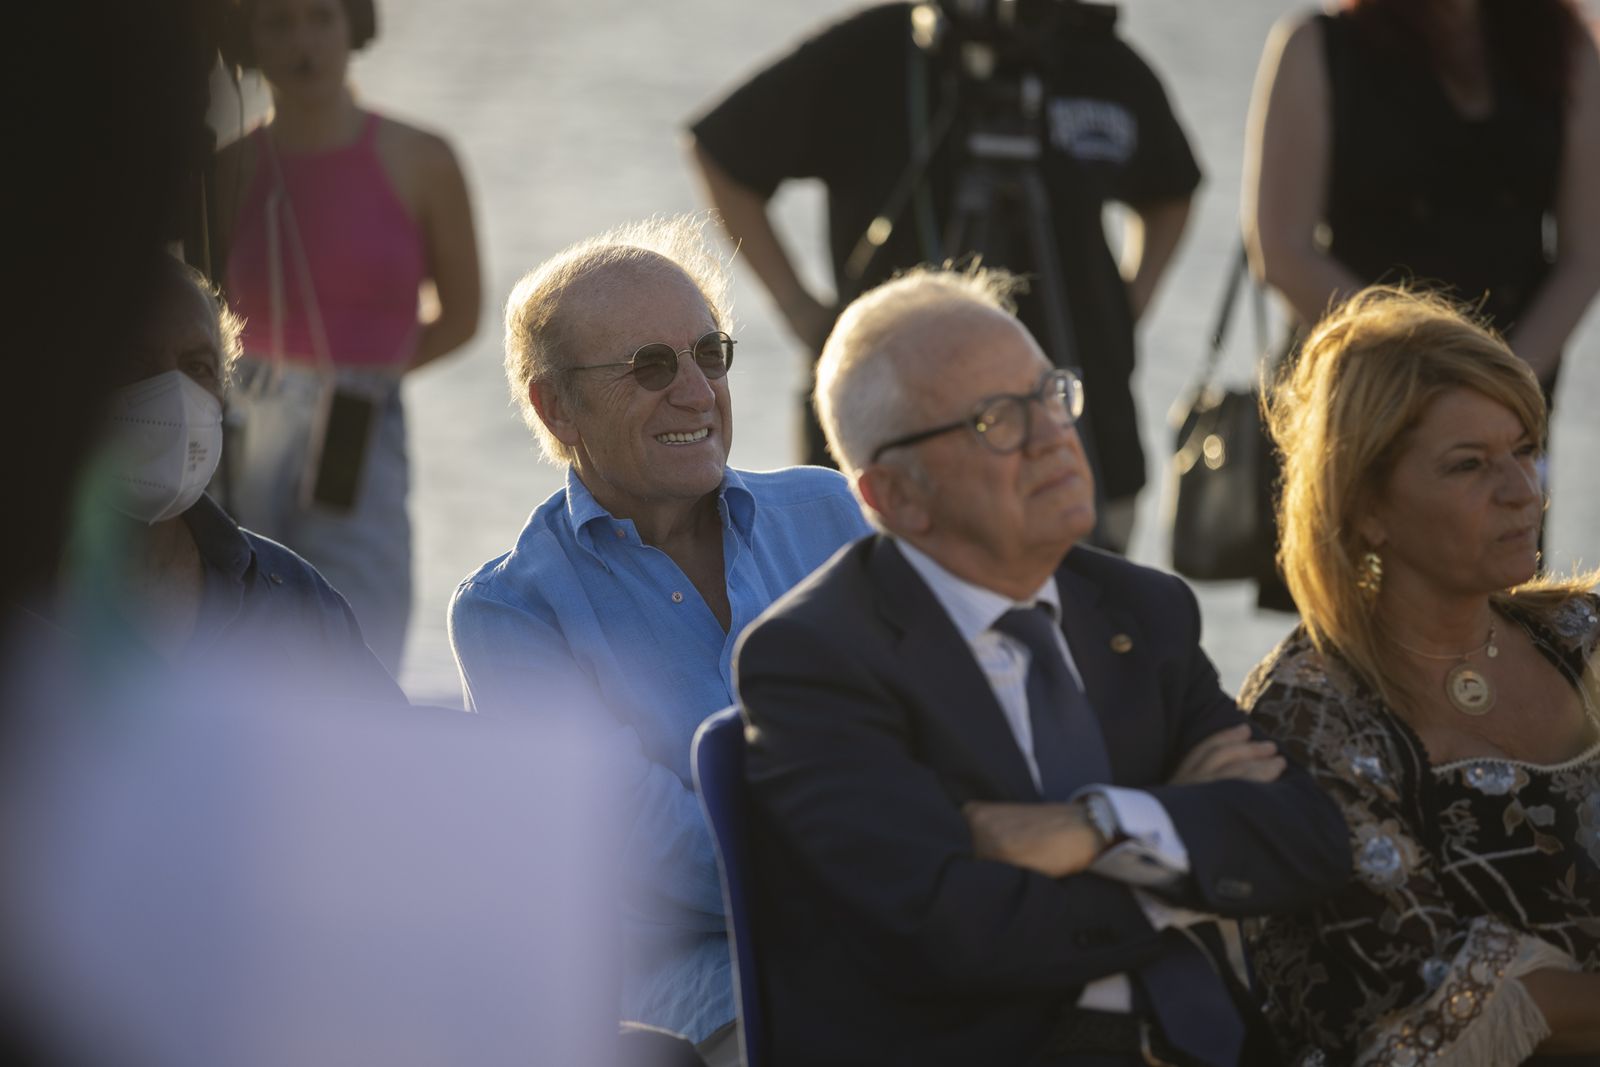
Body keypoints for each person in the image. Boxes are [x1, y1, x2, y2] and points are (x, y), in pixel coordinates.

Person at [732, 265, 1351, 1066]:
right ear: (893, 496)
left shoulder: (1140, 608)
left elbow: (1304, 840)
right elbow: (948, 932)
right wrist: (1182, 863)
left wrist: (1102, 824)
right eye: (995, 419)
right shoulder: (816, 658)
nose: (1054, 434)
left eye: (1051, 394)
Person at [447, 216, 871, 1063]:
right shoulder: (510, 612)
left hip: (894, 921)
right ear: (555, 406)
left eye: (710, 354)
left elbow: (932, 728)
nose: (696, 391)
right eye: (650, 366)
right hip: (693, 986)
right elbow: (646, 842)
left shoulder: (830, 512)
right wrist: (882, 874)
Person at [688, 0, 1199, 552]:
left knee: (1088, 596)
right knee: (866, 595)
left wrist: (1122, 312)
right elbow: (722, 151)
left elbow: (1171, 189)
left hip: (1085, 421)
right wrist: (800, 312)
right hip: (890, 423)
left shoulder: (1097, 55)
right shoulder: (877, 49)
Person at [1240, 286, 1600, 1064]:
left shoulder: (1583, 636)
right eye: (1469, 465)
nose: (1524, 491)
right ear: (1365, 504)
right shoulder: (1309, 718)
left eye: (1524, 449)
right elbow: (1417, 1007)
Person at [213, 0, 482, 675]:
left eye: (320, 17)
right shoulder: (223, 172)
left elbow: (462, 314)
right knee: (238, 637)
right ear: (247, 38)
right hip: (244, 424)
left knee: (362, 647)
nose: (302, 40)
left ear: (352, 25)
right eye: (277, 22)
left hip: (359, 422)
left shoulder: (422, 158)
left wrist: (367, 378)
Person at [56, 253, 400, 701]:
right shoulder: (24, 601)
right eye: (135, 362)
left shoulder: (294, 596)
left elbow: (389, 735)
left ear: (222, 390)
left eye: (197, 367)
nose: (174, 395)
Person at [1243, 0, 1600, 401]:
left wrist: (1503, 381)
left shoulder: (1567, 51)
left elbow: (1585, 256)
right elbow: (1282, 252)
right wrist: (1421, 374)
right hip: (1360, 394)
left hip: (1509, 400)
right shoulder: (1317, 46)